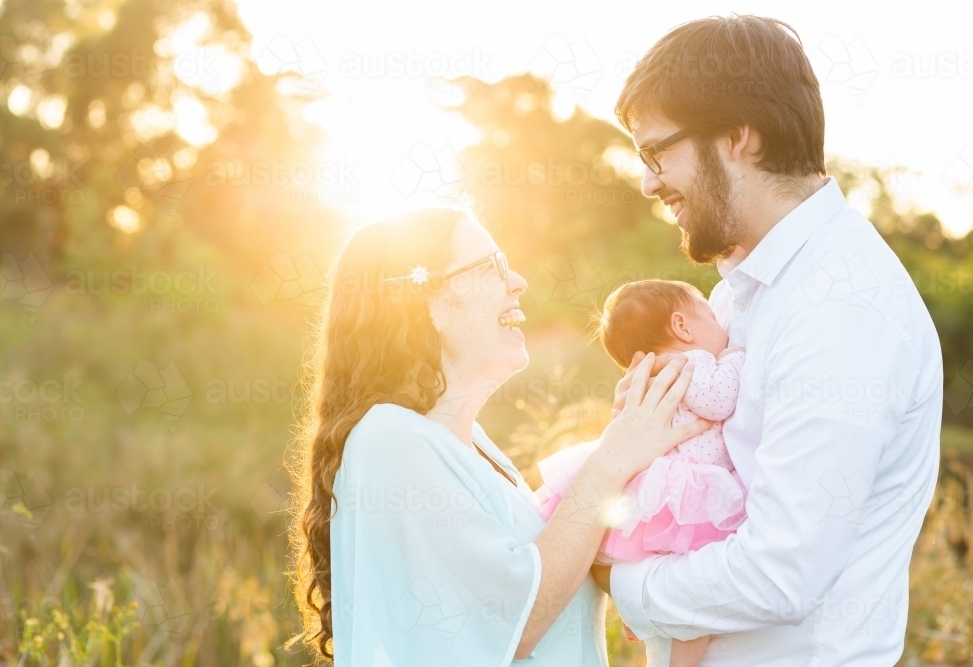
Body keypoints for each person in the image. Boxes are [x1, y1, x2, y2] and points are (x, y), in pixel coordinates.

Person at [591, 14, 943, 667]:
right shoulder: (738, 295)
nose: (648, 181)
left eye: (655, 152)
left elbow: (780, 570)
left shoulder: (842, 306)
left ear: (736, 137)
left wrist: (618, 578)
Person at [287, 206, 712, 665]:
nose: (517, 282)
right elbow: (515, 616)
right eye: (491, 267)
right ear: (427, 302)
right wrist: (613, 457)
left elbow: (546, 576)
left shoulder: (476, 448)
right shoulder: (388, 439)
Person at [535, 279, 747, 667]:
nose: (724, 326)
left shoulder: (646, 373)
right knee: (697, 592)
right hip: (690, 490)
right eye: (712, 316)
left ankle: (649, 624)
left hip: (659, 490)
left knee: (657, 569)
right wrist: (735, 357)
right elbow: (720, 400)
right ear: (683, 327)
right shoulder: (693, 362)